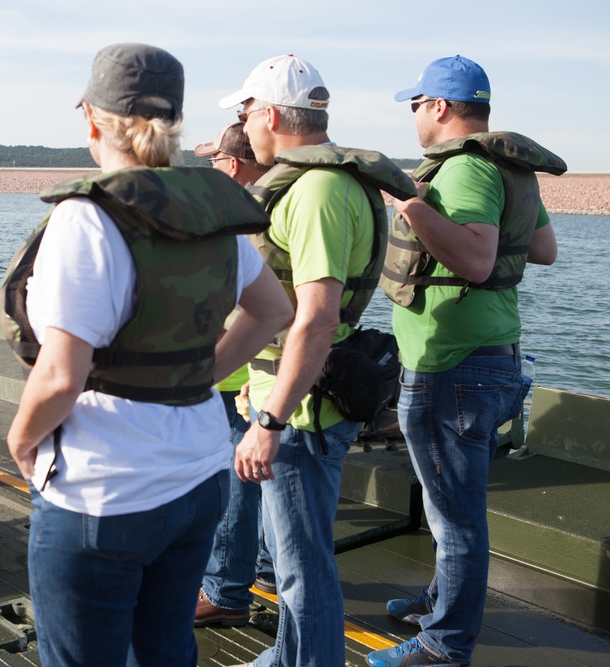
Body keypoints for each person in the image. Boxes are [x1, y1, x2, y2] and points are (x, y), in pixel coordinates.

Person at [0, 43, 294, 667]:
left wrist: (22, 441)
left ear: (91, 119)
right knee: (164, 651)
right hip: (198, 477)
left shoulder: (88, 216)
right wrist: (196, 376)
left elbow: (60, 375)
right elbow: (273, 311)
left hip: (104, 491)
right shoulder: (209, 210)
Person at [367, 55, 564, 667]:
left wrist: (411, 206)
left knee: (455, 519)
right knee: (448, 504)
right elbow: (544, 248)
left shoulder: (467, 169)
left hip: (452, 364)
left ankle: (443, 645)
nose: (414, 116)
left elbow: (477, 262)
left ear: (440, 107)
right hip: (494, 355)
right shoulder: (510, 169)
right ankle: (439, 600)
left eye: (416, 104)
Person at [220, 55, 415, 667]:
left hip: (301, 412)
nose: (245, 126)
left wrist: (271, 421)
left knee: (301, 568)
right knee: (287, 558)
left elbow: (317, 316)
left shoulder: (317, 190)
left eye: (247, 113)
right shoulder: (323, 182)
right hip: (293, 397)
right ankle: (288, 655)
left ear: (271, 114)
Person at [191, 122, 276, 628]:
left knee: (235, 482)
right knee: (262, 478)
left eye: (216, 162)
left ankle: (224, 589)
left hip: (233, 374)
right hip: (264, 370)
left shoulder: (239, 221)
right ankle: (261, 567)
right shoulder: (275, 204)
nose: (213, 169)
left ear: (235, 165)